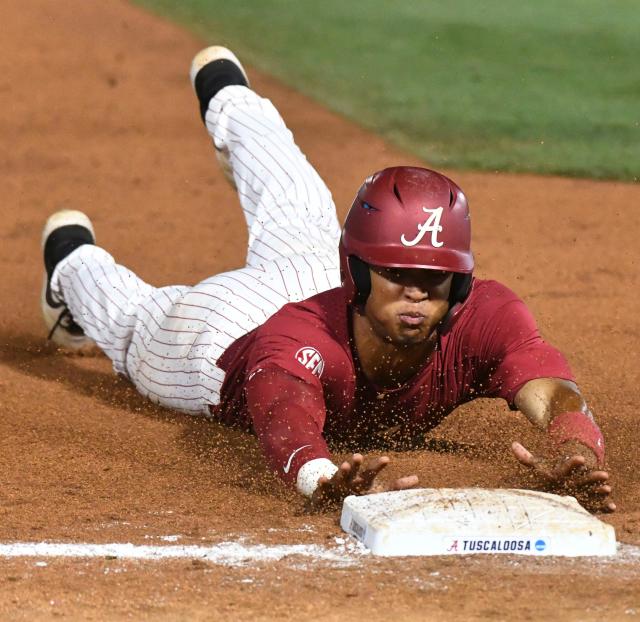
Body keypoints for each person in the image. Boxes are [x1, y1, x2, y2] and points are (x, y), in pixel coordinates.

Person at [40, 46, 614, 512]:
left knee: (297, 203)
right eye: (396, 273)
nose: (415, 291)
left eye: (433, 277)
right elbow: (282, 408)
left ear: (459, 285)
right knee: (144, 324)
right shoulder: (293, 339)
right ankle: (70, 261)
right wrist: (318, 475)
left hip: (323, 272)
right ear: (360, 271)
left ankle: (228, 94)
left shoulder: (486, 318)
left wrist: (577, 453)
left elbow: (556, 393)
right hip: (228, 333)